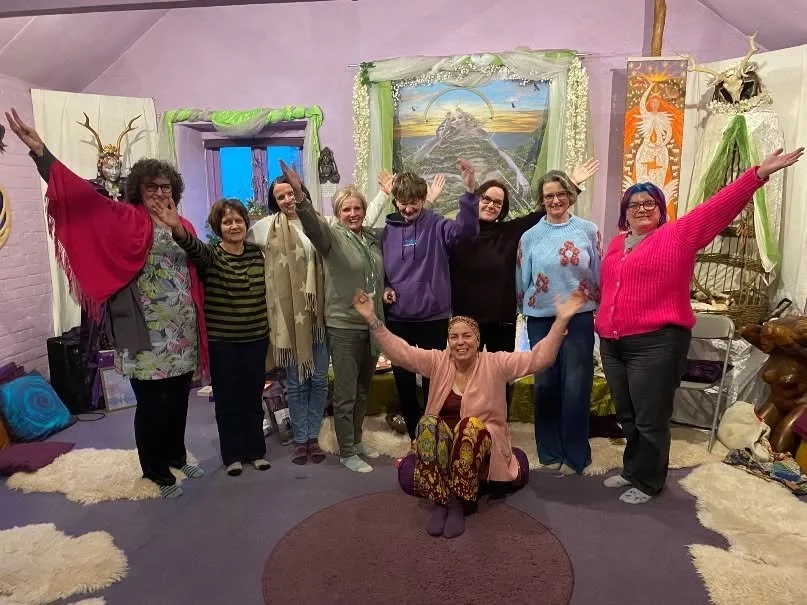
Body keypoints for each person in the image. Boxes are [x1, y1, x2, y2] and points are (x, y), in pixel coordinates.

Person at [6, 107, 207, 499]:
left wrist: (178, 231)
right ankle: (155, 472)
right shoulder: (124, 218)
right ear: (138, 190)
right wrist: (41, 154)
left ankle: (176, 456)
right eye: (152, 187)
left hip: (181, 329)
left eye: (166, 187)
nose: (160, 193)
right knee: (151, 405)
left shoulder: (186, 225)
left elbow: (201, 261)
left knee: (178, 400)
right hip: (143, 330)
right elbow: (80, 198)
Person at [598, 147, 803, 504]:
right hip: (614, 344)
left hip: (657, 343)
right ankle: (632, 470)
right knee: (628, 415)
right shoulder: (617, 245)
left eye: (650, 203)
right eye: (634, 205)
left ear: (661, 209)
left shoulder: (678, 236)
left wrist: (757, 175)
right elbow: (611, 289)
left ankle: (649, 482)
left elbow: (719, 206)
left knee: (651, 418)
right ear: (625, 214)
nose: (642, 209)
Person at [352, 287, 587, 538]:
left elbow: (538, 359)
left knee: (470, 426)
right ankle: (442, 501)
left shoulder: (496, 363)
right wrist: (372, 318)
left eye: (467, 336)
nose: (460, 342)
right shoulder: (437, 361)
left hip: (479, 445)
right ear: (448, 341)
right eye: (454, 337)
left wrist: (561, 320)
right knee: (428, 424)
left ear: (477, 341)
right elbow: (402, 353)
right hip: (444, 450)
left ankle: (459, 502)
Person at [449, 161, 599, 407]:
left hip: (501, 321)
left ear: (503, 209)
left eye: (497, 202)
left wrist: (572, 183)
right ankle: (466, 432)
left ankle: (499, 432)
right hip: (466, 323)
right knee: (463, 378)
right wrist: (468, 189)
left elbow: (545, 212)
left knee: (502, 380)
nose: (491, 205)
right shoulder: (459, 234)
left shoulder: (511, 232)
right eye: (486, 198)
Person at [152, 197, 271, 477]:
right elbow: (192, 247)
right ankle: (232, 455)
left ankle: (256, 451)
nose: (233, 226)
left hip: (256, 338)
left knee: (252, 398)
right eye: (227, 221)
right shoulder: (212, 255)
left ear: (246, 223)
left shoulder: (257, 254)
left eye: (238, 220)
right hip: (223, 342)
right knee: (228, 400)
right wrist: (178, 227)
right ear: (218, 227)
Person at [382, 161, 479, 442]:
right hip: (398, 318)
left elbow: (467, 234)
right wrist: (387, 286)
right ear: (395, 201)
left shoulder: (437, 224)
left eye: (414, 203)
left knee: (433, 381)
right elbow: (382, 269)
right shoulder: (388, 231)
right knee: (403, 380)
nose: (409, 209)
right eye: (403, 203)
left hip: (432, 317)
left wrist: (470, 191)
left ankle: (433, 434)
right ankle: (416, 438)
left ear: (423, 200)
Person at [517, 170, 602, 475]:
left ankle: (576, 454)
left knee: (577, 386)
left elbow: (598, 271)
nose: (555, 200)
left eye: (560, 194)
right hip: (541, 318)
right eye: (548, 195)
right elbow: (521, 278)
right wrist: (522, 309)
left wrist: (598, 305)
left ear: (570, 195)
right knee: (546, 384)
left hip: (579, 316)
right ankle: (550, 451)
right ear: (542, 200)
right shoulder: (530, 236)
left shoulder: (589, 231)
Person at [247, 165, 329, 466]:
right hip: (288, 319)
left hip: (317, 317)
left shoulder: (318, 222)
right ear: (275, 201)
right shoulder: (265, 227)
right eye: (280, 196)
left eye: (290, 192)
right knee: (295, 383)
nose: (286, 199)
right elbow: (233, 239)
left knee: (319, 380)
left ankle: (312, 437)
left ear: (300, 192)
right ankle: (300, 440)